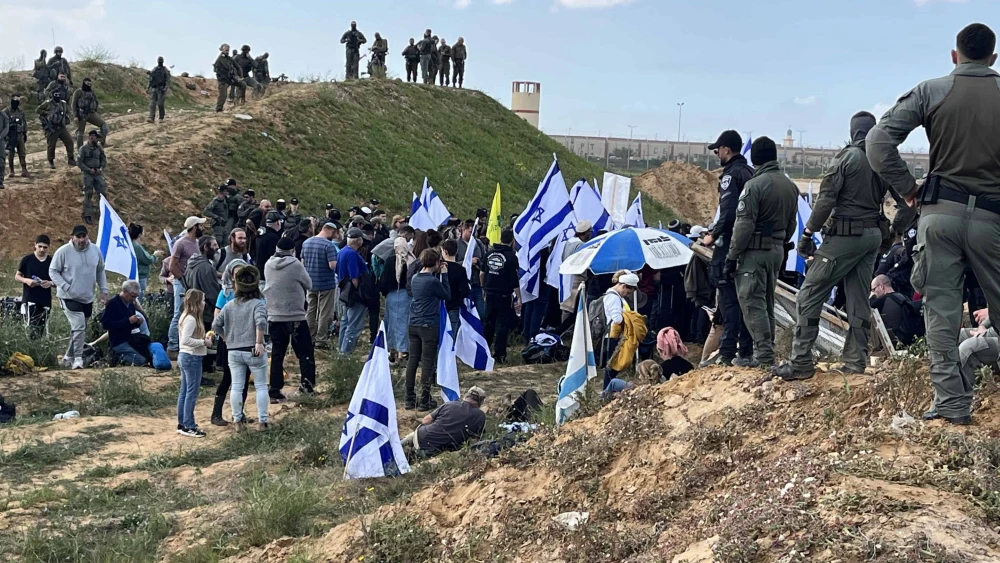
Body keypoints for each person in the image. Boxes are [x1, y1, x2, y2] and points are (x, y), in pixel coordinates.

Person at [866, 23, 1000, 426]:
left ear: (955, 56)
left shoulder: (932, 90)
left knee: (941, 314)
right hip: (993, 219)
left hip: (939, 215)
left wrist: (908, 188)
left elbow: (877, 141)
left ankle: (951, 406)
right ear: (993, 59)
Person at [775, 113, 889, 381]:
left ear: (852, 133)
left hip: (846, 236)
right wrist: (891, 233)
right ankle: (855, 362)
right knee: (859, 299)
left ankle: (801, 361)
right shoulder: (882, 160)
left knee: (809, 295)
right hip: (871, 236)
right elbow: (906, 200)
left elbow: (826, 199)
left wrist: (808, 232)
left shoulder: (847, 158)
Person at [726, 137, 798, 369]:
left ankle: (764, 357)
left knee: (752, 302)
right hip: (776, 250)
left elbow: (743, 225)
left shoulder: (754, 186)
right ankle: (767, 351)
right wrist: (780, 242)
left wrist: (732, 255)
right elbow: (792, 224)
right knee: (767, 301)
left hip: (754, 252)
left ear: (754, 158)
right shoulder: (790, 186)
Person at [702, 129, 755, 367]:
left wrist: (712, 235)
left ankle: (726, 353)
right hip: (749, 246)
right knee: (744, 301)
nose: (716, 154)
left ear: (726, 149)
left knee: (730, 302)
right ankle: (745, 351)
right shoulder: (751, 173)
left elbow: (729, 211)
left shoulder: (731, 176)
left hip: (729, 246)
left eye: (717, 150)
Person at [212, 265, 270, 431]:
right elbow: (260, 322)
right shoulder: (257, 304)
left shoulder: (230, 305)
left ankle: (237, 421)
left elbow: (216, 324)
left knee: (236, 386)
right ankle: (262, 421)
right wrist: (259, 342)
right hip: (253, 349)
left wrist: (227, 338)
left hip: (234, 350)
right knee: (260, 386)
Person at [264, 237, 316, 401]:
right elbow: (309, 284)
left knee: (278, 354)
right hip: (295, 316)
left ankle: (274, 390)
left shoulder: (268, 264)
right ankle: (307, 386)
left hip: (273, 315)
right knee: (305, 352)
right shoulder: (296, 265)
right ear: (292, 250)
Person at [50, 225, 108, 369]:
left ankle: (67, 357)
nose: (81, 240)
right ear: (73, 237)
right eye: (78, 237)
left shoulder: (95, 250)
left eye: (84, 236)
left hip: (87, 296)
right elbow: (53, 271)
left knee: (79, 329)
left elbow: (100, 271)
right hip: (68, 296)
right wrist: (65, 286)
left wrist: (104, 290)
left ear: (88, 236)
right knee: (79, 326)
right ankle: (77, 359)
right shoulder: (63, 252)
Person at [405, 249, 452, 410]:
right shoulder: (433, 282)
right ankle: (425, 399)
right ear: (437, 263)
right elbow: (446, 295)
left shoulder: (415, 278)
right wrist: (444, 275)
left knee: (412, 360)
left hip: (413, 323)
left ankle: (409, 398)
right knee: (427, 362)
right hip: (428, 324)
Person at [209, 258, 249, 426]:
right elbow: (217, 315)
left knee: (245, 378)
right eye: (235, 273)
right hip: (229, 341)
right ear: (231, 275)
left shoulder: (250, 291)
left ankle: (239, 413)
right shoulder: (225, 293)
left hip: (246, 340)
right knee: (228, 378)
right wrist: (224, 335)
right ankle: (216, 414)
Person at [402, 387, 487, 457]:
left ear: (466, 395)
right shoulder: (480, 416)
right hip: (436, 451)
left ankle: (399, 445)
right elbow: (475, 440)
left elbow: (425, 421)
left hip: (421, 435)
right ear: (481, 401)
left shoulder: (450, 404)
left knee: (413, 436)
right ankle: (413, 453)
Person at [168, 216, 208, 354]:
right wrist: (184, 281)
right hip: (181, 283)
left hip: (191, 283)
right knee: (178, 313)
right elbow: (172, 266)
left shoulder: (197, 243)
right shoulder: (181, 243)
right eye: (200, 225)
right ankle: (173, 346)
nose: (203, 228)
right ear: (195, 227)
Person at [183, 236, 222, 371]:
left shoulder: (191, 264)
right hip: (205, 311)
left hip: (194, 309)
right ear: (206, 247)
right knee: (204, 339)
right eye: (214, 245)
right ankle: (204, 368)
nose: (217, 248)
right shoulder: (206, 268)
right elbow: (212, 293)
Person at [483, 230, 521, 363]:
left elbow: (482, 273)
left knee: (488, 323)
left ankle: (484, 350)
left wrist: (484, 288)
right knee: (502, 325)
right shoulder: (511, 257)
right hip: (504, 295)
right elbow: (514, 280)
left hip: (489, 293)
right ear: (512, 241)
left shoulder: (489, 253)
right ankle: (499, 355)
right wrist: (519, 298)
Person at [177, 289, 211, 438]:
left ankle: (182, 422)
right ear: (197, 302)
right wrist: (203, 342)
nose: (204, 303)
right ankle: (189, 425)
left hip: (185, 356)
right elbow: (186, 340)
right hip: (191, 357)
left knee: (184, 392)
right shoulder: (191, 319)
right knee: (191, 392)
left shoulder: (185, 316)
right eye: (203, 300)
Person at [303, 221, 340, 346]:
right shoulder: (328, 245)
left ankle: (309, 336)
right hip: (326, 283)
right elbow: (332, 265)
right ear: (331, 231)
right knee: (325, 312)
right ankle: (321, 339)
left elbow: (302, 262)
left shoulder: (306, 242)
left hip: (310, 282)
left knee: (310, 310)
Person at [600, 271, 638, 387]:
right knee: (612, 368)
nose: (626, 294)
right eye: (627, 291)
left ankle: (608, 391)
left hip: (615, 335)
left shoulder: (616, 296)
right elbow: (617, 319)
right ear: (623, 285)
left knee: (612, 367)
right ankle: (607, 391)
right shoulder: (614, 298)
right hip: (613, 336)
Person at [380, 237, 414, 363]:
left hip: (393, 296)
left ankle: (393, 351)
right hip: (407, 296)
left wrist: (385, 293)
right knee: (404, 324)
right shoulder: (412, 261)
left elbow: (384, 281)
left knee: (392, 324)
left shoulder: (390, 261)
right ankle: (403, 352)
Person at [337, 228, 370, 353]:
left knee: (345, 322)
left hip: (345, 292)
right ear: (358, 240)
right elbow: (354, 277)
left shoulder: (342, 251)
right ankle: (346, 353)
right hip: (353, 294)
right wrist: (358, 294)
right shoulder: (352, 254)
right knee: (353, 325)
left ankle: (341, 350)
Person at [101, 281, 148, 366]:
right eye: (133, 296)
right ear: (124, 291)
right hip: (117, 342)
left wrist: (137, 322)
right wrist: (128, 321)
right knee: (141, 361)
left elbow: (130, 325)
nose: (134, 299)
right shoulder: (112, 303)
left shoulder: (130, 304)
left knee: (147, 356)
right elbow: (106, 324)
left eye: (136, 297)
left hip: (130, 340)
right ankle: (117, 357)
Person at [870, 274, 925, 347]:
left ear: (881, 286)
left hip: (897, 343)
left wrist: (871, 297)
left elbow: (864, 308)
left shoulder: (881, 301)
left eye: (874, 290)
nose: (874, 293)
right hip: (912, 340)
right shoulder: (903, 297)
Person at [15, 235, 54, 337]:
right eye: (40, 246)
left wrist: (50, 283)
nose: (42, 249)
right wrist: (26, 280)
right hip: (30, 298)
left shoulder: (52, 261)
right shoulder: (27, 260)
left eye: (45, 247)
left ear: (49, 247)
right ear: (35, 245)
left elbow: (58, 281)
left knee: (42, 330)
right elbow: (17, 276)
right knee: (30, 329)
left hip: (45, 300)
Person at [36, 89, 75, 169]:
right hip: (52, 127)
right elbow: (38, 110)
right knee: (51, 145)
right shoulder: (48, 103)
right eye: (55, 94)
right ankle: (51, 161)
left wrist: (67, 118)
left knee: (69, 141)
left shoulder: (63, 103)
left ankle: (71, 159)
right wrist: (47, 113)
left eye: (58, 94)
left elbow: (68, 112)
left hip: (61, 126)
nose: (57, 96)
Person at [457, 219, 487, 320]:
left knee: (482, 314)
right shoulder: (456, 245)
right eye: (470, 232)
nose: (473, 234)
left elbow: (484, 260)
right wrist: (467, 262)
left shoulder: (478, 244)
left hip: (476, 284)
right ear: (464, 230)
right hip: (463, 285)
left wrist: (478, 263)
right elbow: (452, 264)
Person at [77, 130, 107, 225]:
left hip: (97, 173)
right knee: (88, 193)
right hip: (88, 174)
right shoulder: (83, 149)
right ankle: (87, 215)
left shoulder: (99, 148)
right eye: (94, 137)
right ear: (90, 137)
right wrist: (88, 169)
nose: (96, 139)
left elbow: (103, 159)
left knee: (102, 193)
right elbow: (79, 162)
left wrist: (101, 168)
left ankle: (103, 213)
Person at [70, 78, 109, 149]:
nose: (89, 85)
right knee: (80, 133)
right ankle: (80, 149)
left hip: (91, 114)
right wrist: (75, 115)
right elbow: (73, 104)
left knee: (104, 126)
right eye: (87, 84)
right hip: (81, 115)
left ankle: (101, 143)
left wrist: (95, 109)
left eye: (90, 84)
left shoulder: (92, 91)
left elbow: (95, 101)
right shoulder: (78, 92)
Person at [440, 239, 470, 332]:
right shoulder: (460, 269)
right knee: (453, 334)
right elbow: (465, 291)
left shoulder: (439, 267)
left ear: (445, 252)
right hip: (454, 305)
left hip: (440, 306)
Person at [129, 223, 161, 301]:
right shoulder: (136, 246)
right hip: (140, 276)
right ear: (140, 234)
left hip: (134, 275)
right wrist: (155, 255)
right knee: (138, 299)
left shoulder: (131, 244)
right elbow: (147, 260)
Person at [4, 93, 29, 179]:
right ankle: (11, 171)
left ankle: (24, 170)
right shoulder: (6, 111)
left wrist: (25, 133)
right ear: (11, 100)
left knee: (22, 152)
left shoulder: (21, 112)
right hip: (10, 136)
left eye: (18, 100)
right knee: (11, 153)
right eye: (15, 100)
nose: (17, 102)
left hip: (20, 135)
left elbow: (24, 123)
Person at [254, 211, 283, 286]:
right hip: (268, 274)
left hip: (259, 272)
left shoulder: (260, 235)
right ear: (278, 223)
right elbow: (274, 257)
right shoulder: (273, 238)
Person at [213, 44, 243, 113]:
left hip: (229, 78)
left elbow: (237, 66)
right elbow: (217, 69)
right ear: (222, 50)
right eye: (226, 50)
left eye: (228, 50)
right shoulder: (220, 58)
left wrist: (240, 76)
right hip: (223, 79)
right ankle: (219, 109)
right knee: (223, 95)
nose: (227, 51)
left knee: (242, 84)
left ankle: (238, 102)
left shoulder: (229, 58)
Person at [147, 56, 170, 123]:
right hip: (154, 88)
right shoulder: (155, 69)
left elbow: (168, 80)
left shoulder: (165, 70)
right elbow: (151, 79)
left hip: (161, 89)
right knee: (152, 104)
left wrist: (165, 88)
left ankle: (161, 117)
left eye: (161, 60)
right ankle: (151, 117)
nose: (160, 61)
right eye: (159, 60)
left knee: (160, 104)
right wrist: (148, 87)